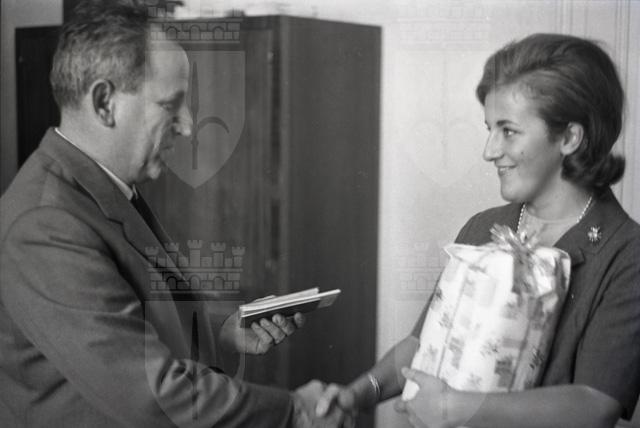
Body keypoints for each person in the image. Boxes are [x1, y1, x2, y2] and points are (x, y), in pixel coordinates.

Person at [0, 1, 344, 427]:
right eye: (170, 105)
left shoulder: (99, 187)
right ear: (105, 103)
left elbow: (128, 312)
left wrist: (224, 327)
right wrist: (294, 411)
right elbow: (151, 394)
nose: (187, 124)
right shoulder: (44, 226)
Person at [315, 33, 640, 428]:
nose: (489, 151)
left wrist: (456, 408)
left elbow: (595, 403)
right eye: (490, 128)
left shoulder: (628, 254)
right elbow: (423, 342)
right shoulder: (484, 226)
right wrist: (358, 394)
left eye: (508, 131)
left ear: (570, 137)